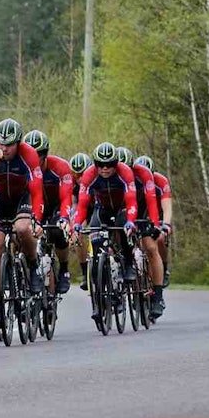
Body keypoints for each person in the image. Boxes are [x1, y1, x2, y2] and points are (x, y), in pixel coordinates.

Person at [71, 142, 159, 324]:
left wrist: (130, 221)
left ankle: (127, 262)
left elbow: (132, 202)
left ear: (116, 164)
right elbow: (82, 204)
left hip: (122, 209)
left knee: (123, 227)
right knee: (96, 249)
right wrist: (77, 223)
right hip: (101, 210)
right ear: (95, 164)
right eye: (100, 164)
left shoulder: (125, 172)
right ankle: (99, 297)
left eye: (109, 164)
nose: (105, 168)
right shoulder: (89, 175)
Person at [0, 119, 45, 331]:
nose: (4, 149)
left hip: (22, 199)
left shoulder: (29, 155)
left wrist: (37, 219)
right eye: (1, 144)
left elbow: (37, 191)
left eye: (9, 145)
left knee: (23, 229)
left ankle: (32, 265)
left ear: (18, 143)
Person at [118, 147, 168, 320]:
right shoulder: (114, 178)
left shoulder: (147, 178)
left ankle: (158, 295)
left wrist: (157, 224)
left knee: (151, 247)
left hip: (145, 212)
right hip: (126, 213)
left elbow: (154, 203)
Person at [22, 130, 73, 294]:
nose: (32, 159)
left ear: (44, 155)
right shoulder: (22, 168)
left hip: (55, 208)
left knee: (58, 232)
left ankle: (64, 268)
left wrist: (64, 218)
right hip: (33, 207)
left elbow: (66, 197)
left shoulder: (60, 167)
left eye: (37, 155)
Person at [136, 154, 174, 294]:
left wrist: (166, 224)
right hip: (142, 213)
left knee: (160, 239)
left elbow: (167, 206)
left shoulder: (161, 181)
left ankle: (164, 267)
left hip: (159, 214)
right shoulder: (132, 181)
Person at [69, 152, 93, 289]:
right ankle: (84, 271)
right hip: (82, 208)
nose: (80, 179)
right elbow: (74, 205)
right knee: (79, 233)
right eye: (76, 175)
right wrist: (73, 225)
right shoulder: (73, 184)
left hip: (96, 207)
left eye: (82, 174)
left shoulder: (96, 177)